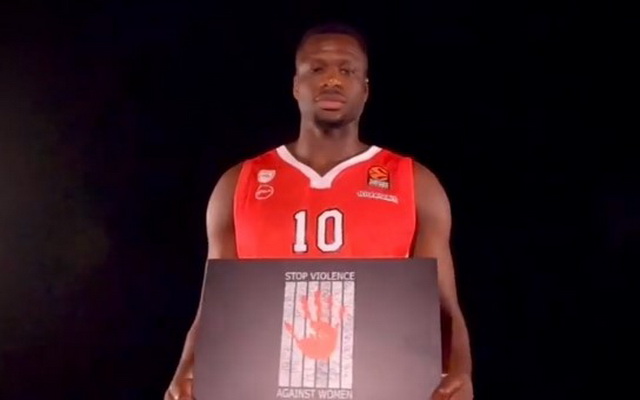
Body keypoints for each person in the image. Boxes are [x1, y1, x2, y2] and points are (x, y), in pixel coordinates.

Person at [165, 22, 473, 400]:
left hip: (377, 385)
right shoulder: (239, 183)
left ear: (365, 90)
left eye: (347, 70)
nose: (332, 81)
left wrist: (461, 371)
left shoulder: (413, 182)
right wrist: (186, 367)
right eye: (317, 69)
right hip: (263, 385)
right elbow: (216, 303)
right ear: (296, 85)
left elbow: (442, 305)